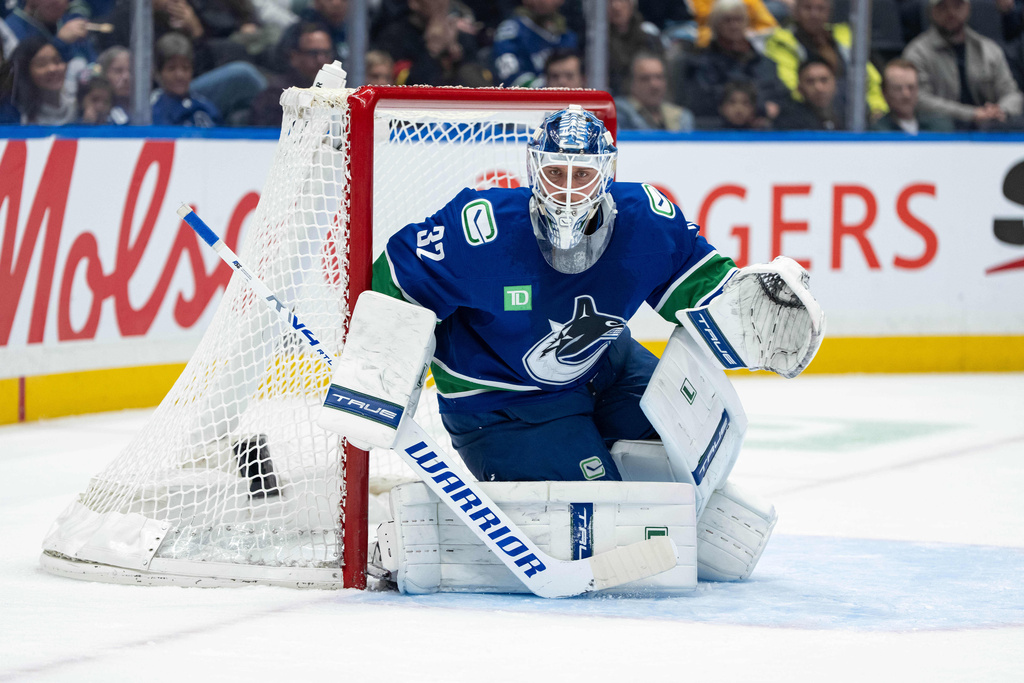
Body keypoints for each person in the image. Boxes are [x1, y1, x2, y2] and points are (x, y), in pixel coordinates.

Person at [365, 106, 822, 592]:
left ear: (606, 173)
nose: (567, 189)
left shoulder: (645, 218)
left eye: (581, 174)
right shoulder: (480, 230)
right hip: (503, 406)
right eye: (555, 172)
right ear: (532, 169)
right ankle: (410, 539)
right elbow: (393, 281)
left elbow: (704, 287)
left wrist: (749, 308)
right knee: (607, 535)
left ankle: (617, 472)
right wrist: (378, 369)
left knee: (687, 455)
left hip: (606, 365)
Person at [903, 0, 1024, 130]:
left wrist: (1000, 110)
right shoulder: (917, 53)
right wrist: (972, 114)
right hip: (940, 133)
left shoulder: (989, 50)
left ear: (968, 8)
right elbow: (919, 100)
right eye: (943, 7)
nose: (951, 12)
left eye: (957, 5)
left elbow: (1012, 94)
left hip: (990, 129)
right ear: (932, 11)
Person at [763, 0, 888, 120]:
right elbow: (790, 85)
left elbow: (869, 78)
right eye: (808, 8)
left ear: (829, 12)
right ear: (795, 11)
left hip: (855, 111)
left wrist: (877, 107)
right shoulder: (781, 42)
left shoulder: (845, 36)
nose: (814, 14)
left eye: (820, 8)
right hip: (807, 113)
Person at [683, 0, 790, 124]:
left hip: (767, 131)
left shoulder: (765, 63)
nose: (734, 25)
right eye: (727, 20)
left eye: (739, 19)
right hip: (719, 131)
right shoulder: (700, 63)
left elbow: (782, 96)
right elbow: (704, 102)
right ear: (715, 24)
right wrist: (760, 109)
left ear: (747, 23)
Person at [248, 22, 333, 127]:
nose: (321, 60)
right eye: (313, 53)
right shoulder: (277, 95)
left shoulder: (338, 92)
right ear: (294, 56)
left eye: (326, 53)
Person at [490, 0, 577, 87]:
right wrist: (547, 88)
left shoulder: (566, 35)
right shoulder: (511, 31)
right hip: (526, 98)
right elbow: (510, 76)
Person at [150, 31, 221, 127]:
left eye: (185, 68)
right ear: (158, 72)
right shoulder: (149, 109)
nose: (180, 75)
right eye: (171, 68)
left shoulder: (205, 107)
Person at [615, 51, 695, 130]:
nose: (654, 85)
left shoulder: (681, 117)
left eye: (659, 77)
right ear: (631, 83)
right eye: (645, 79)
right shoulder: (618, 112)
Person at [871, 58, 955, 132]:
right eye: (898, 88)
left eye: (911, 87)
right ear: (884, 93)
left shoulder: (940, 126)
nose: (906, 95)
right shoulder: (877, 131)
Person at [7, 34, 77, 124]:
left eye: (57, 61)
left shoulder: (78, 108)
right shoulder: (16, 118)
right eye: (42, 64)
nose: (52, 69)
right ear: (25, 72)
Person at [607, 0, 663, 96]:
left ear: (631, 5)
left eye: (621, 1)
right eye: (610, 1)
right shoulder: (596, 41)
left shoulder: (649, 36)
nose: (616, 6)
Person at [773, 56, 845, 129]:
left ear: (835, 84)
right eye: (810, 81)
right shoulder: (788, 121)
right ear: (799, 88)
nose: (818, 88)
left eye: (824, 80)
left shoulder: (849, 115)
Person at [702, 79, 771, 128]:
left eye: (745, 103)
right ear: (721, 107)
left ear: (754, 107)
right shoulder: (705, 132)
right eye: (732, 102)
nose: (739, 109)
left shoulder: (767, 135)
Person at [95, 44, 129, 123]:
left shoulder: (150, 107)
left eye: (131, 70)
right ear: (104, 74)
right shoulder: (97, 107)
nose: (126, 77)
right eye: (118, 71)